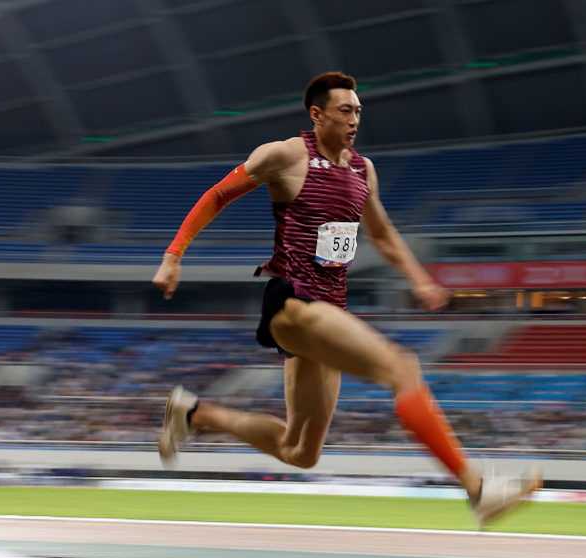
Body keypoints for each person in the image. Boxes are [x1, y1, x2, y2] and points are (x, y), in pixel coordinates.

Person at [152, 71, 540, 526]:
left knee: (300, 451)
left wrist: (420, 279)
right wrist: (174, 255)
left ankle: (194, 414)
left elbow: (381, 233)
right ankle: (478, 488)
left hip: (327, 310)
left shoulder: (362, 170)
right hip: (293, 303)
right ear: (316, 115)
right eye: (344, 110)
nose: (354, 119)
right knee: (402, 368)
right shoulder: (285, 155)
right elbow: (217, 196)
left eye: (358, 110)